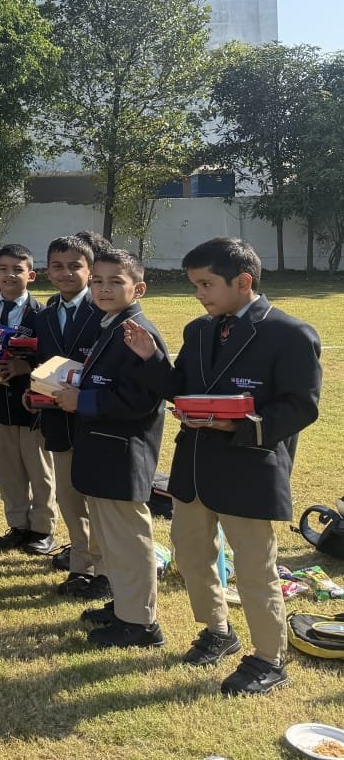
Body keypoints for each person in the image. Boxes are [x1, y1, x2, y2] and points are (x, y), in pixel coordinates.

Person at [124, 237, 321, 696]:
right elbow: (181, 388)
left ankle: (269, 658)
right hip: (195, 467)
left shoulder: (291, 333)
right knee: (192, 554)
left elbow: (301, 406)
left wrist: (237, 425)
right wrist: (151, 359)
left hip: (249, 469)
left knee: (254, 568)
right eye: (194, 286)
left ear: (243, 281)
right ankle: (217, 631)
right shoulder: (198, 330)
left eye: (206, 284)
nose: (199, 294)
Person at [52, 248, 168, 649]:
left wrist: (81, 401)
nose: (104, 289)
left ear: (139, 288)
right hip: (102, 454)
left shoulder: (139, 333)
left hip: (122, 455)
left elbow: (141, 400)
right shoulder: (113, 324)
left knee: (129, 541)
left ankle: (141, 624)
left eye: (115, 282)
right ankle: (124, 607)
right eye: (98, 281)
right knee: (111, 539)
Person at [32, 235, 108, 599]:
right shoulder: (45, 316)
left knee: (98, 500)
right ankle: (81, 567)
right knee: (68, 496)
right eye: (57, 266)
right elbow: (43, 366)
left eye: (75, 266)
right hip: (57, 422)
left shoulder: (105, 312)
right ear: (47, 270)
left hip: (95, 422)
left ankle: (105, 571)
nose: (65, 273)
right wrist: (32, 390)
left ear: (90, 270)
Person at [0, 244, 53, 557]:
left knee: (39, 468)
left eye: (18, 270)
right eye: (3, 269)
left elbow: (53, 359)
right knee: (8, 469)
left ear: (31, 275)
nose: (10, 275)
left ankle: (43, 528)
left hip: (30, 402)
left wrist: (27, 367)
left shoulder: (43, 314)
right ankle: (18, 524)